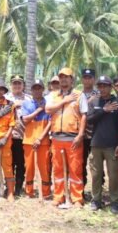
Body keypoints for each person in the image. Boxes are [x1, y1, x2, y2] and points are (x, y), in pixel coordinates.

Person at [45, 67, 88, 208]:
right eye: (61, 77)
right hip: (56, 138)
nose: (63, 79)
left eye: (66, 77)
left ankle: (77, 198)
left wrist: (80, 135)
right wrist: (65, 101)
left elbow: (84, 115)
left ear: (71, 79)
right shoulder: (53, 95)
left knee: (75, 169)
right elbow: (48, 110)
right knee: (57, 169)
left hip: (73, 138)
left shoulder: (79, 95)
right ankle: (59, 197)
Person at [86, 75, 118, 213]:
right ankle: (96, 200)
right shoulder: (94, 101)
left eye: (105, 86)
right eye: (100, 86)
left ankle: (115, 201)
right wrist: (103, 110)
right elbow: (89, 119)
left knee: (113, 175)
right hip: (96, 143)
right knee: (96, 174)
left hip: (112, 145)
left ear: (111, 87)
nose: (102, 89)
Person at [20, 79, 52, 199]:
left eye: (39, 88)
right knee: (29, 167)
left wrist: (40, 138)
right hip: (28, 140)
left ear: (43, 89)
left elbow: (50, 123)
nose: (37, 90)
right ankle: (29, 192)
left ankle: (45, 192)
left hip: (43, 141)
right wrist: (39, 110)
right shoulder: (26, 103)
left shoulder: (48, 104)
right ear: (31, 90)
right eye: (35, 88)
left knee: (44, 167)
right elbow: (25, 119)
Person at [6, 74, 32, 196]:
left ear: (23, 85)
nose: (17, 85)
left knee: (21, 163)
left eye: (19, 83)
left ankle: (18, 187)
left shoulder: (29, 98)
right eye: (14, 83)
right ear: (11, 85)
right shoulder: (5, 98)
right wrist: (12, 106)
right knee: (9, 163)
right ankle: (9, 187)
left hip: (23, 135)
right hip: (9, 135)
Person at [80, 68, 99, 191]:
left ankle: (97, 191)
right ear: (82, 79)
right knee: (80, 164)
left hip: (95, 135)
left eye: (90, 77)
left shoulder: (99, 94)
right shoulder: (77, 94)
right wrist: (88, 101)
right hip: (81, 135)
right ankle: (80, 190)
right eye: (85, 77)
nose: (87, 80)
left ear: (94, 79)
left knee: (96, 165)